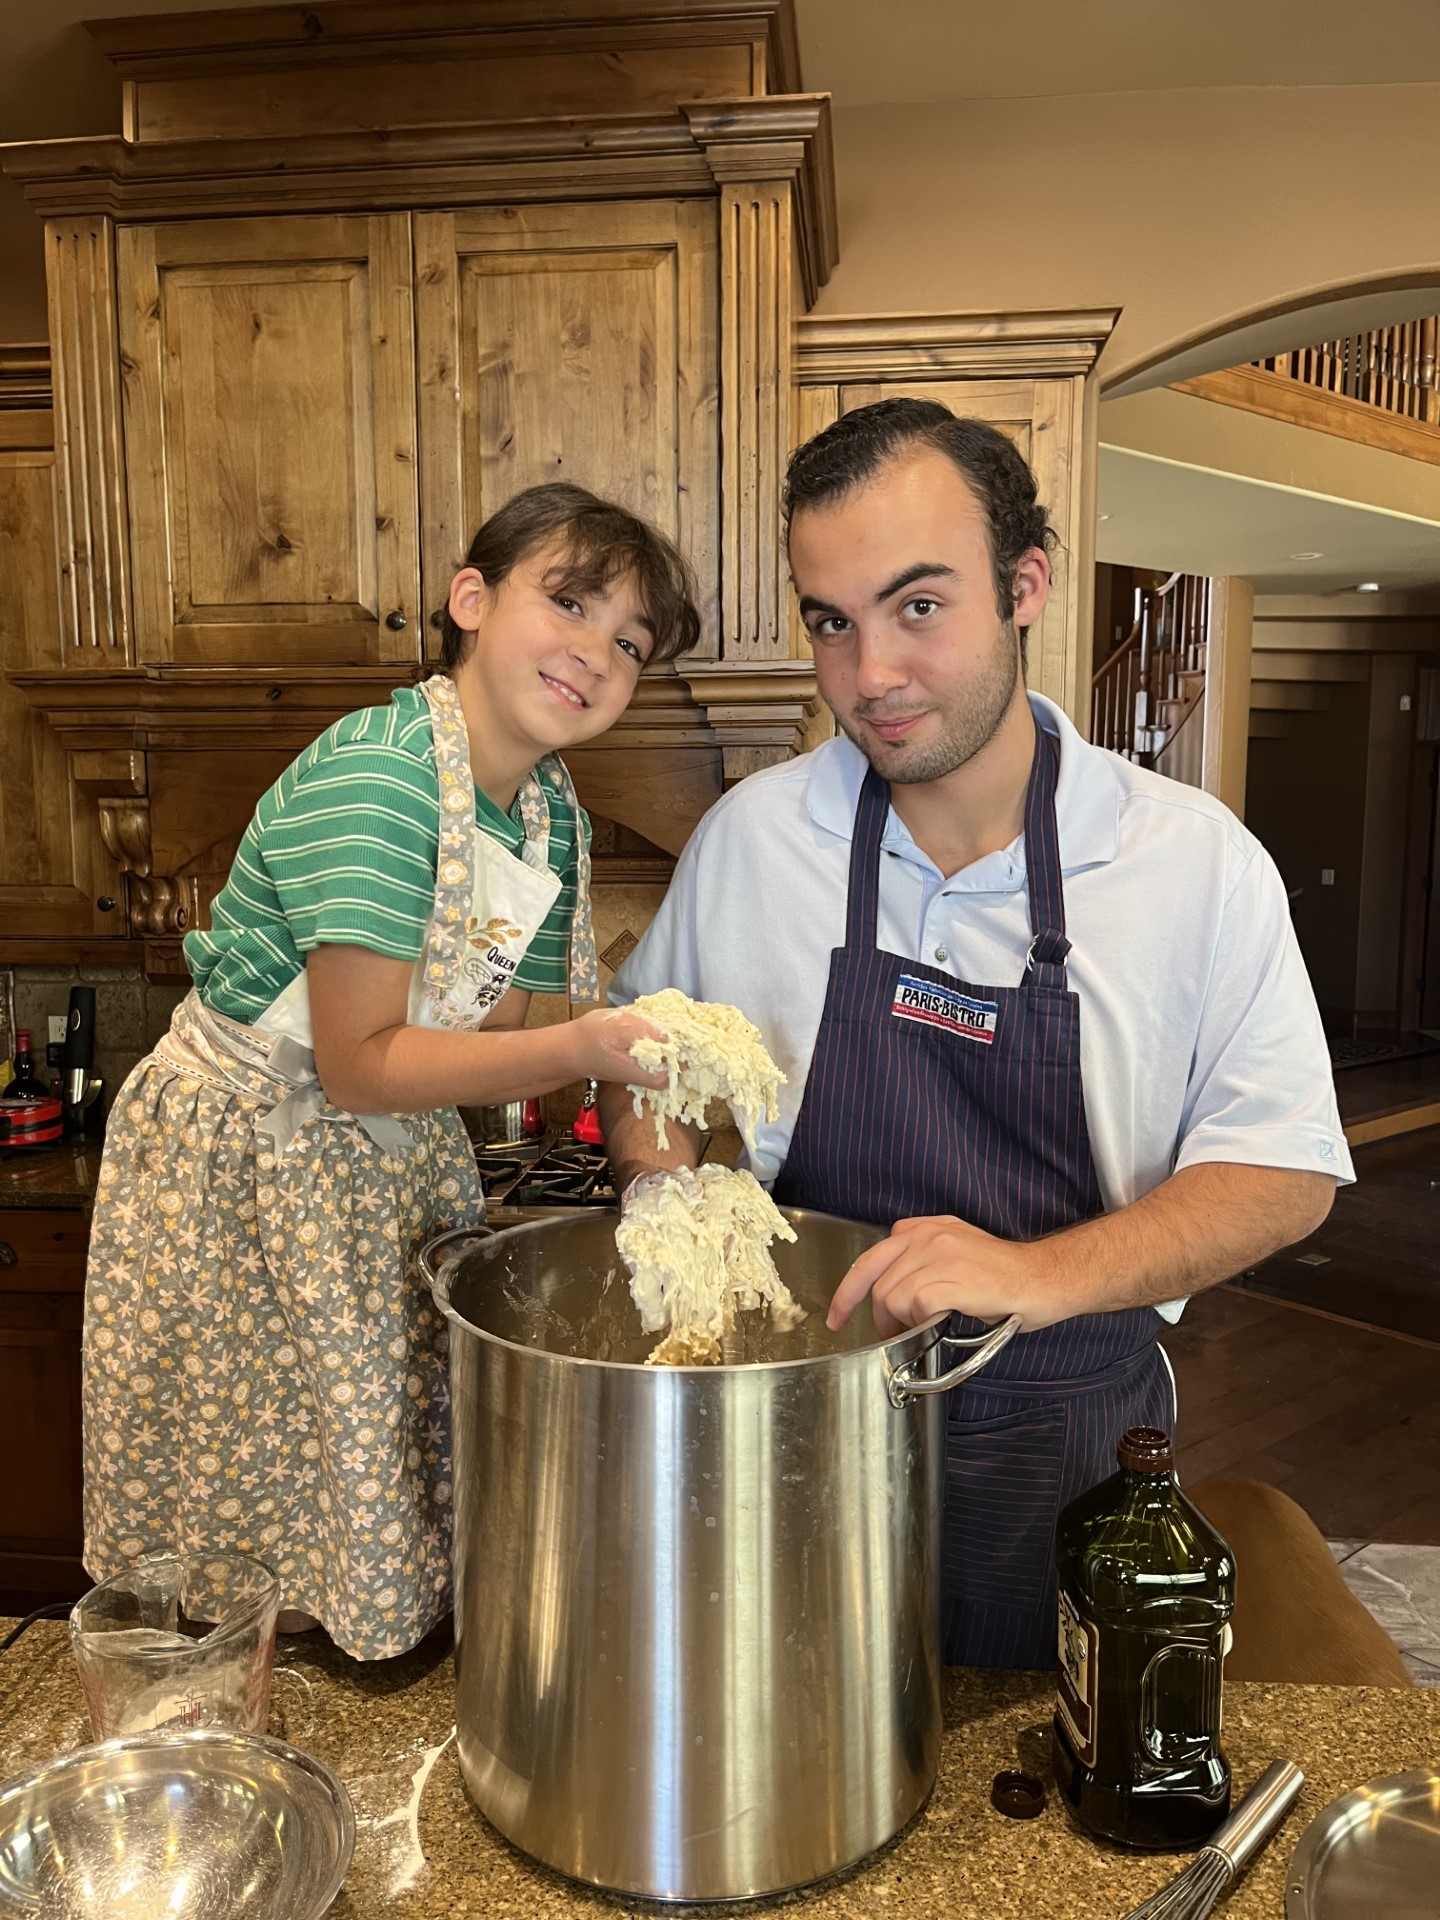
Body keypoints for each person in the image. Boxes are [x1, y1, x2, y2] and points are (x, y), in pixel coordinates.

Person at [600, 401, 1350, 1670]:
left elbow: (1285, 1173)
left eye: (919, 607)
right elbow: (649, 1063)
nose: (870, 675)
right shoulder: (753, 842)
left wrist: (1034, 1272)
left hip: (1062, 1443)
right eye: (830, 621)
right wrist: (672, 1205)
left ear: (1025, 587)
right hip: (802, 1419)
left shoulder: (1191, 865)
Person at [83, 482, 695, 1660]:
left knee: (372, 1432)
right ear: (471, 599)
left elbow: (494, 1003)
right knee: (269, 1456)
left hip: (381, 1150)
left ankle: (359, 1654)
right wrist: (578, 1044)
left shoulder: (547, 812)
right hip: (248, 1155)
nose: (595, 653)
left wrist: (631, 1026)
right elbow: (361, 1063)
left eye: (629, 643)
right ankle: (249, 1694)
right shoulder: (383, 777)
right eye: (567, 602)